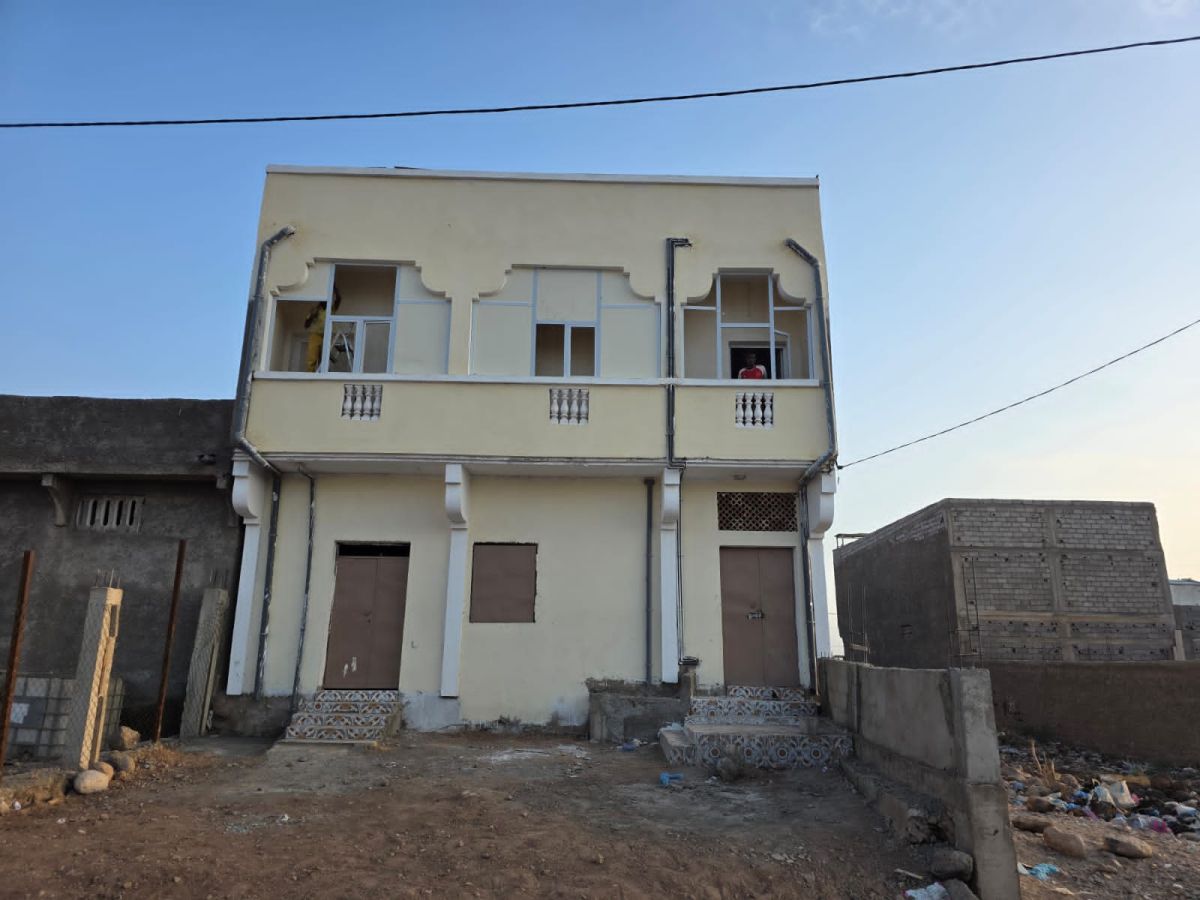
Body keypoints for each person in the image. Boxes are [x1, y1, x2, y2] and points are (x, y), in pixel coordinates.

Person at [304, 289, 342, 372]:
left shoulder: (330, 309)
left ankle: (322, 376)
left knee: (323, 359)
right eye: (323, 300)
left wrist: (334, 287)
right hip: (315, 334)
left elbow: (338, 299)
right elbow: (306, 325)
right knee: (312, 358)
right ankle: (309, 376)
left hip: (326, 335)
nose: (325, 302)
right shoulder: (315, 310)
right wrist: (312, 316)